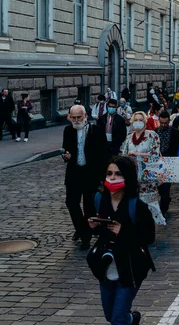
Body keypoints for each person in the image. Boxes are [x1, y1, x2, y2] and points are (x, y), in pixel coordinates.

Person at [88, 156, 155, 325]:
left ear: (127, 177)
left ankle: (127, 319)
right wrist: (94, 226)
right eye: (109, 173)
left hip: (130, 268)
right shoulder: (99, 199)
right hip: (106, 267)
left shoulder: (137, 206)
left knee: (117, 319)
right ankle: (132, 319)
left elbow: (149, 237)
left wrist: (124, 232)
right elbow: (103, 232)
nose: (112, 178)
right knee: (111, 316)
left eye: (118, 174)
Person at [61, 105, 108, 249]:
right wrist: (66, 156)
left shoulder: (96, 130)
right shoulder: (68, 130)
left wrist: (103, 177)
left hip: (91, 175)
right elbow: (66, 148)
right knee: (71, 203)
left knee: (89, 207)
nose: (75, 120)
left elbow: (105, 154)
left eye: (78, 117)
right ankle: (83, 230)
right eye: (73, 118)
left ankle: (85, 236)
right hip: (74, 174)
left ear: (85, 116)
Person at [121, 112, 166, 225]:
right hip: (133, 175)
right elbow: (124, 155)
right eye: (136, 120)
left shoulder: (152, 135)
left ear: (145, 122)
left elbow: (155, 154)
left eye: (141, 120)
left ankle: (151, 225)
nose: (138, 122)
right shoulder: (129, 138)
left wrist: (138, 154)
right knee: (134, 201)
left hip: (148, 174)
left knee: (150, 203)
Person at [155, 111, 179, 217]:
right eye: (162, 123)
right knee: (160, 186)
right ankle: (165, 198)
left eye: (166, 123)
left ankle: (163, 208)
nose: (164, 125)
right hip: (158, 162)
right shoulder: (155, 132)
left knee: (166, 186)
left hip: (169, 162)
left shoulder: (174, 132)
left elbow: (177, 147)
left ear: (169, 121)